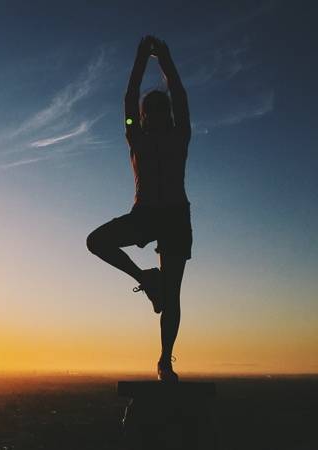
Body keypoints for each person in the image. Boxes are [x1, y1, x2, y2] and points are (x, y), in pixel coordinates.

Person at [86, 36, 192, 382]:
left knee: (172, 296)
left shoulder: (180, 135)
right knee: (97, 241)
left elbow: (179, 93)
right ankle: (146, 278)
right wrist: (140, 59)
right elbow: (130, 99)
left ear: (169, 115)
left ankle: (164, 362)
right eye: (149, 112)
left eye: (162, 111)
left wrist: (165, 57)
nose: (154, 115)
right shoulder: (137, 137)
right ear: (144, 117)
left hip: (174, 217)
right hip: (146, 216)